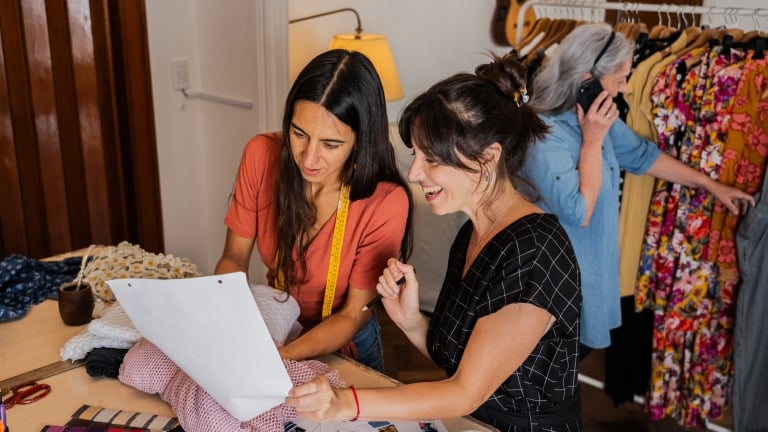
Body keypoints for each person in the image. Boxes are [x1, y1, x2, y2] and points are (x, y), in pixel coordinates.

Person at [286, 52, 583, 431]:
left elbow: (465, 391)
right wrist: (410, 321)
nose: (414, 172)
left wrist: (345, 403)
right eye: (416, 155)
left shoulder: (537, 251)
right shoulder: (471, 234)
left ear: (488, 158)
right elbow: (467, 362)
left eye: (432, 159)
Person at [520, 23, 755, 354]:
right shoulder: (544, 137)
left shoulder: (594, 117)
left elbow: (640, 155)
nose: (626, 89)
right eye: (620, 80)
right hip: (556, 289)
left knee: (565, 377)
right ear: (586, 81)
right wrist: (592, 142)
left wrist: (711, 185)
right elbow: (578, 212)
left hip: (591, 274)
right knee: (549, 381)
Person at [214, 49, 414, 372]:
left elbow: (351, 315)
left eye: (331, 145)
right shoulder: (261, 155)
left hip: (346, 344)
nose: (308, 159)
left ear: (361, 141)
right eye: (299, 134)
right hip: (277, 324)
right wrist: (232, 321)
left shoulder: (386, 201)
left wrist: (280, 358)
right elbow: (234, 257)